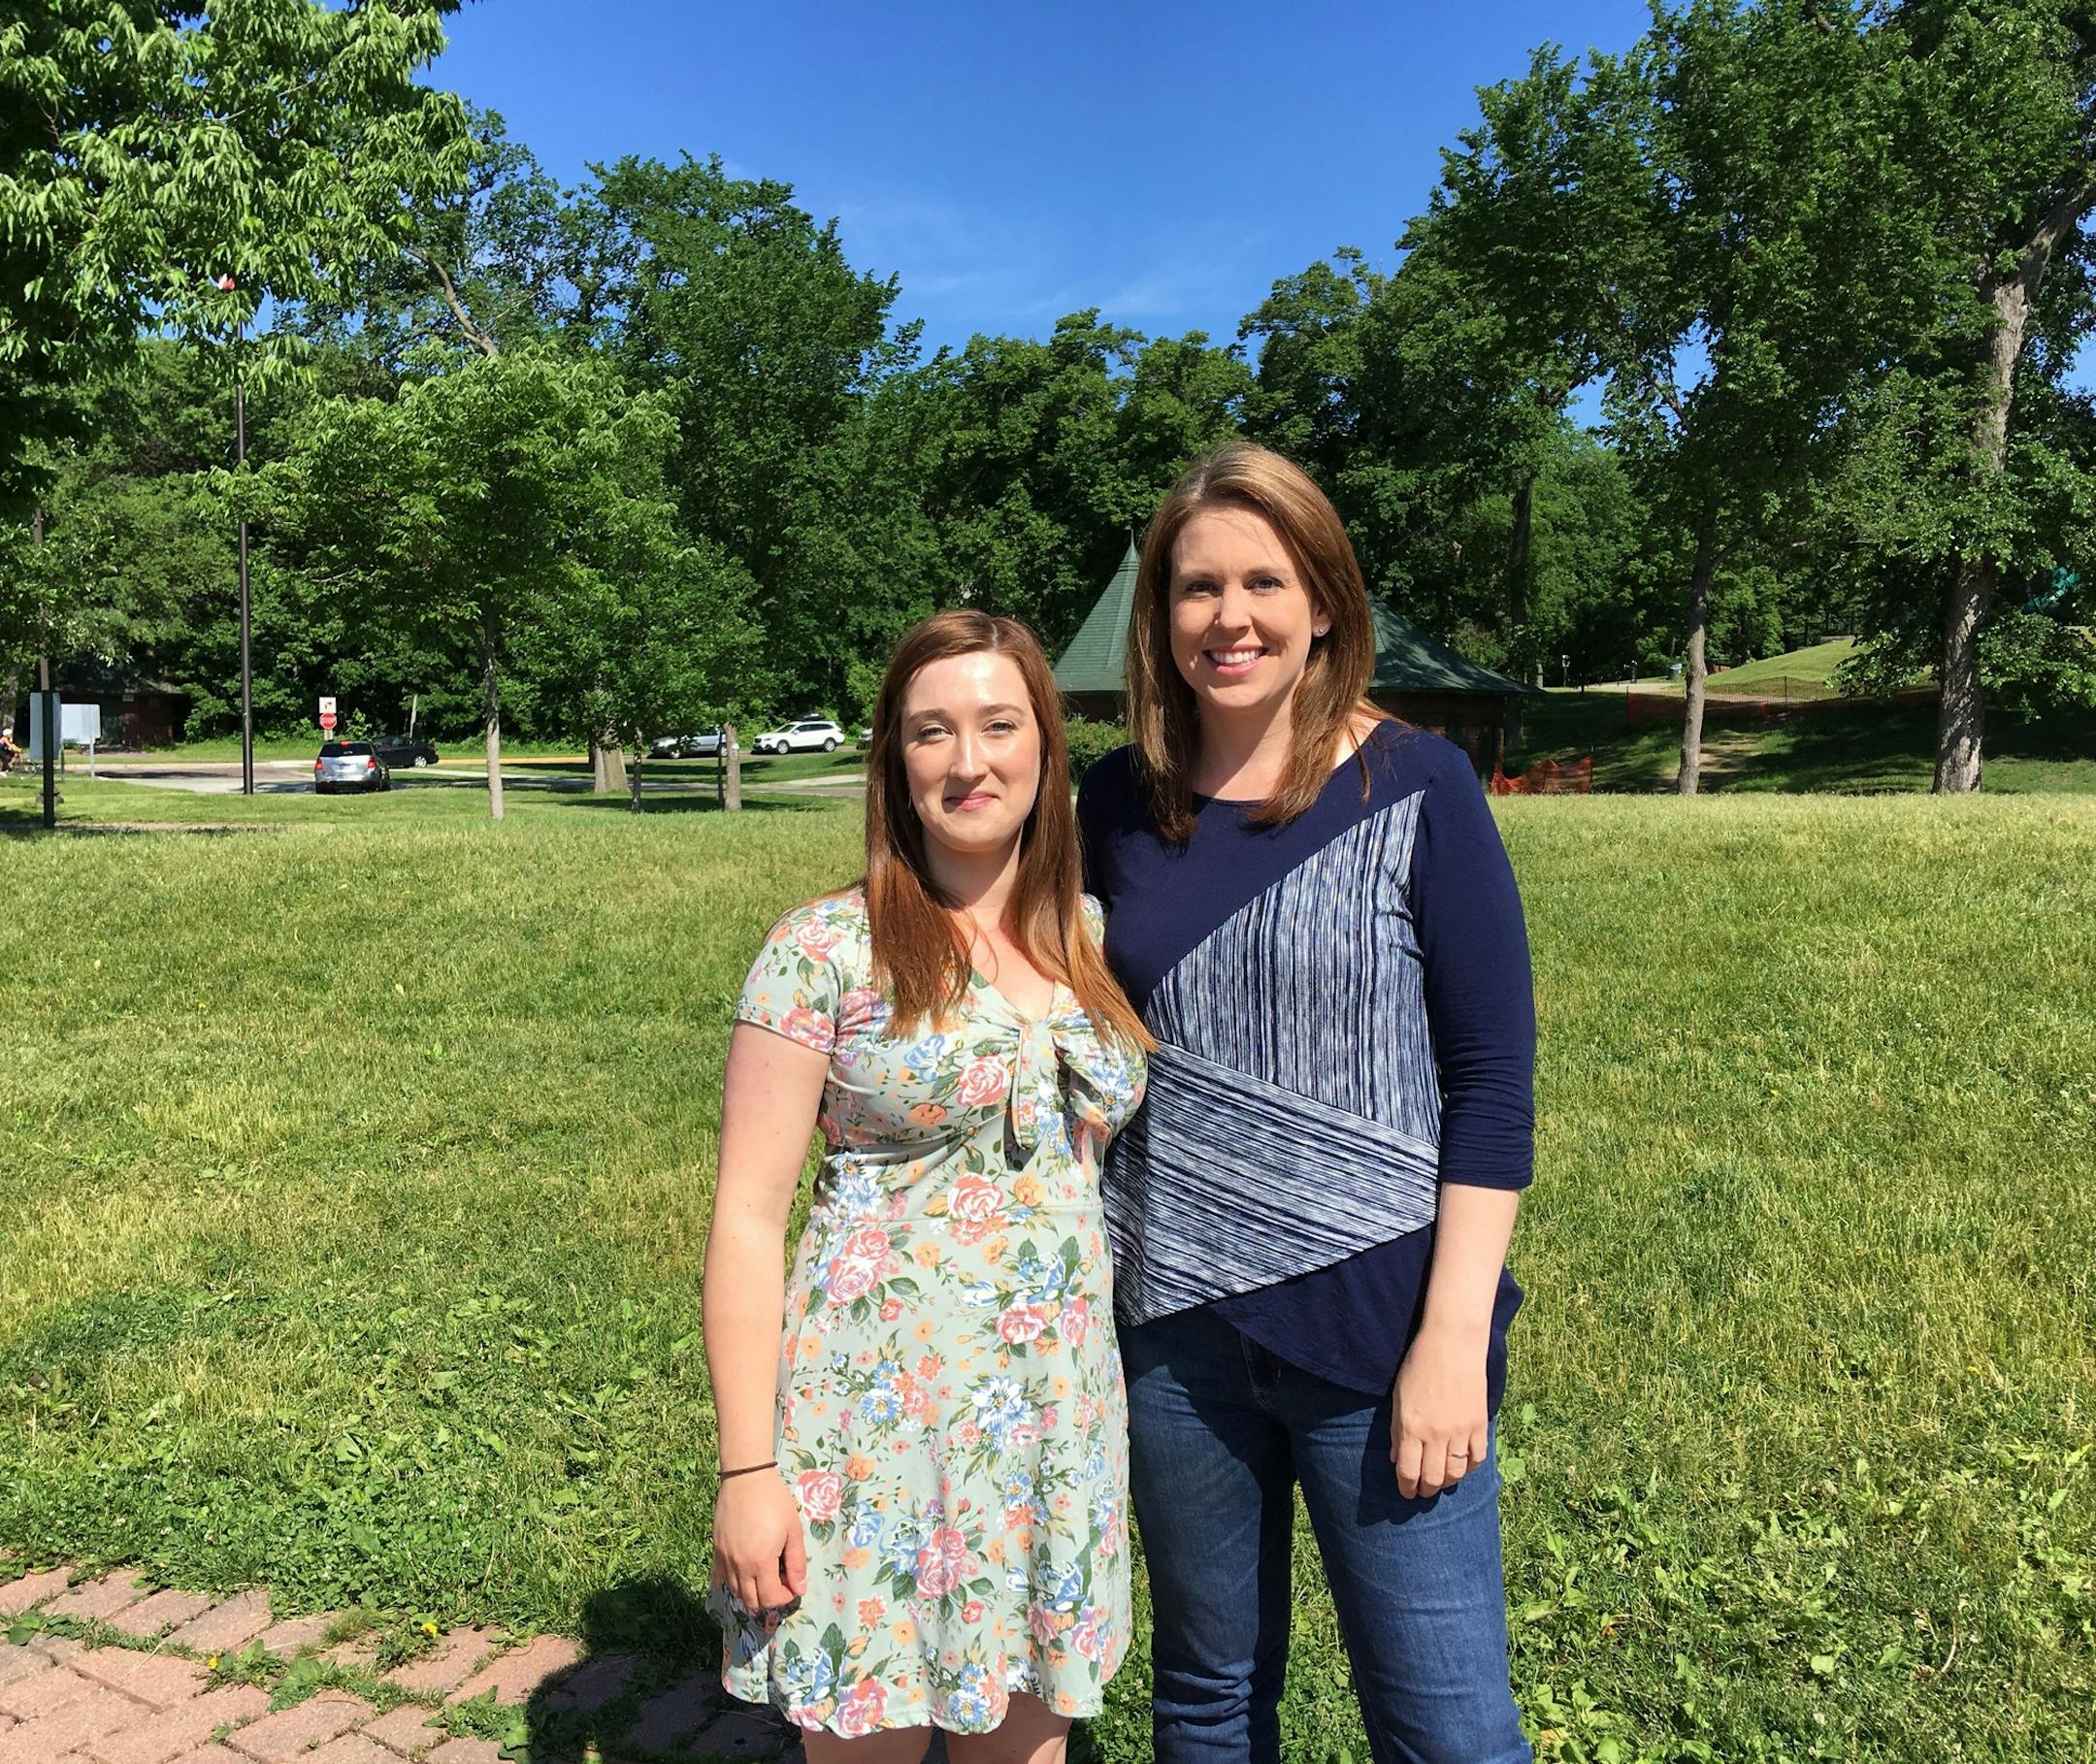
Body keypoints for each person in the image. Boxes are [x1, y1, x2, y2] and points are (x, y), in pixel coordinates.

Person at [1077, 442, 1536, 1763]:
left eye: (1264, 582)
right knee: (1208, 1698)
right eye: (1197, 587)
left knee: (1446, 1725)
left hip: (1379, 1328)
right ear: (1161, 615)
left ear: (1324, 601)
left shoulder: (1419, 785)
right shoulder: (1114, 802)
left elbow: (1491, 1084)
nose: (1231, 617)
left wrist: (1452, 1340)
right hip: (1173, 1328)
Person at [704, 609, 1152, 1760]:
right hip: (869, 1435)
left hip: (1051, 1427)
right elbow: (747, 1219)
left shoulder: (1090, 937)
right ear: (894, 761)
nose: (968, 761)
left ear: (1044, 745)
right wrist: (748, 1471)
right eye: (931, 731)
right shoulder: (822, 951)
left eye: (999, 725)